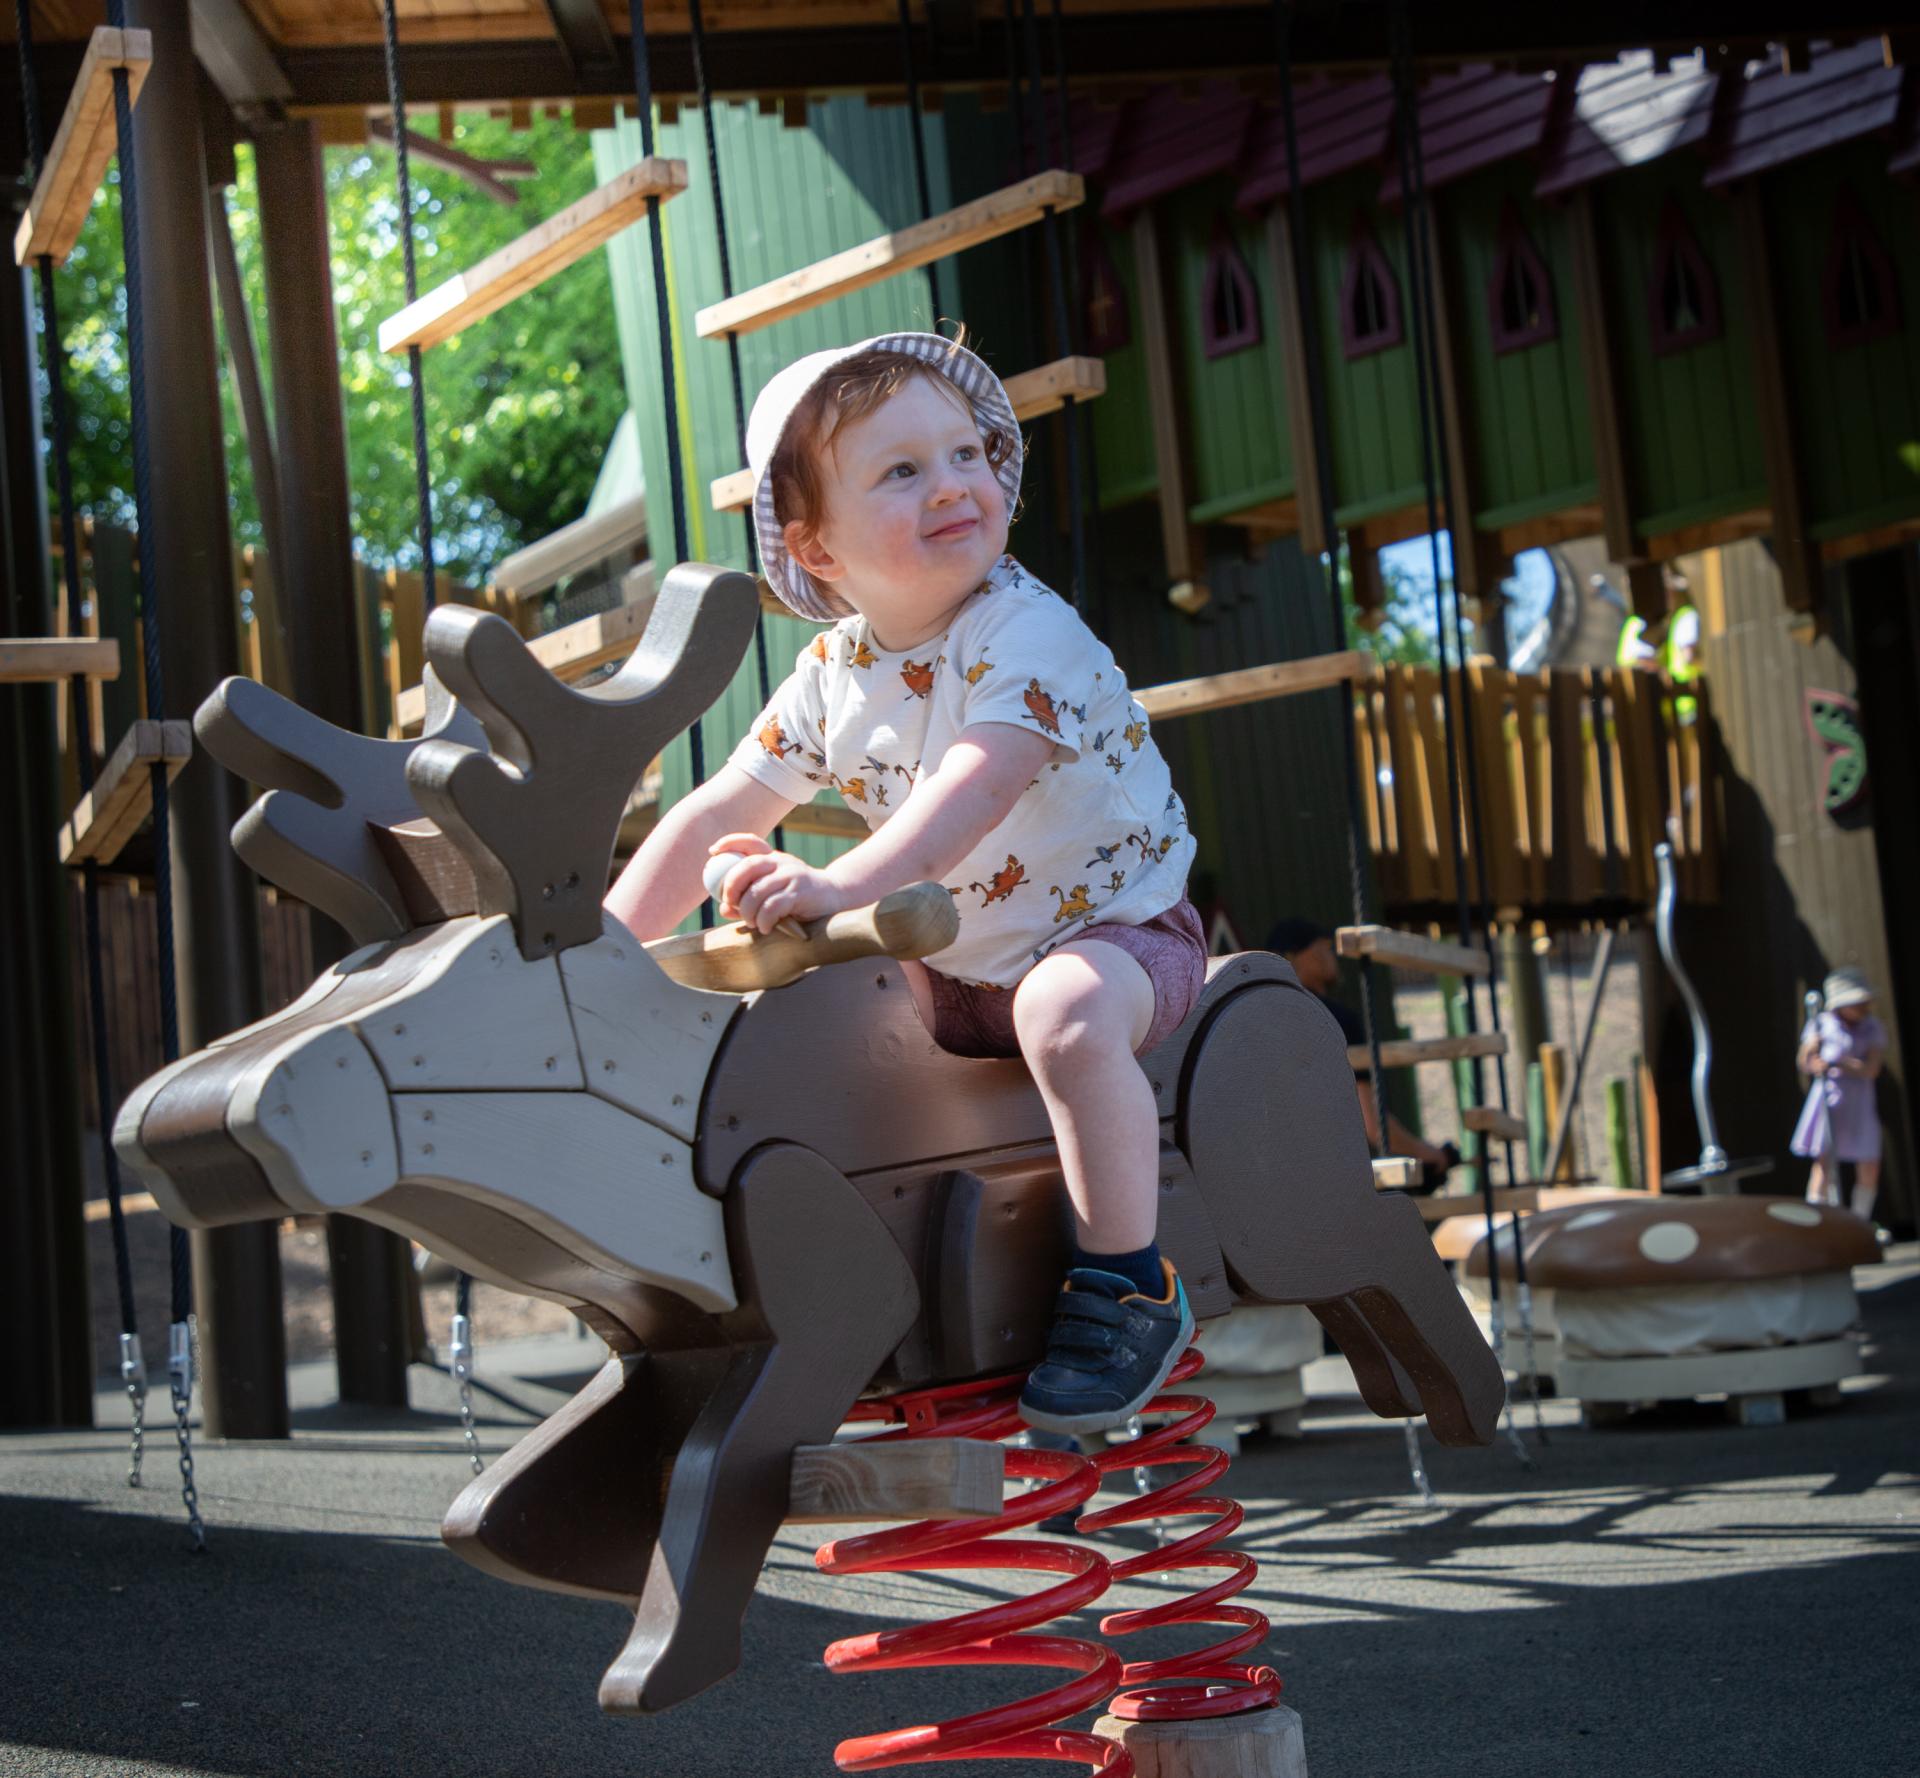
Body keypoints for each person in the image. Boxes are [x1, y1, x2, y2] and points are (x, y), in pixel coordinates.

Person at [605, 332, 1205, 1434]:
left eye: (967, 453)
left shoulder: (1027, 627)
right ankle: (829, 1277)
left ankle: (1130, 1285)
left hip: (1117, 932)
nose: (955, 484)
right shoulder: (834, 673)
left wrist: (837, 887)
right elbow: (714, 812)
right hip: (956, 963)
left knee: (1064, 1014)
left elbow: (968, 794)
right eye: (901, 471)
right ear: (818, 550)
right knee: (808, 1022)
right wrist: (594, 955)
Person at [1268, 917, 1459, 1190]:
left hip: (1275, 1178)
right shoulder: (1334, 1018)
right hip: (1328, 1179)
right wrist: (1429, 1154)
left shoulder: (1258, 1022)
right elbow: (1373, 1124)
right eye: (1323, 949)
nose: (1332, 956)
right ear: (1294, 957)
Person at [1792, 967, 1887, 1224]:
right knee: (1824, 1164)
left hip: (1860, 1104)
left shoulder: (1872, 1028)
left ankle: (1859, 1222)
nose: (1862, 1007)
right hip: (1829, 1102)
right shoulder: (1821, 1024)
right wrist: (1813, 1059)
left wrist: (1840, 1062)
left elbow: (1871, 1069)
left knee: (1869, 1162)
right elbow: (1805, 1062)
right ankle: (1815, 1223)